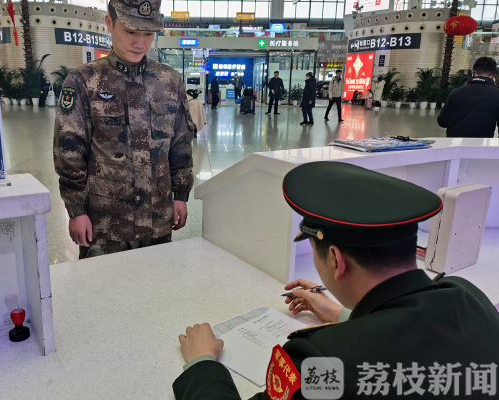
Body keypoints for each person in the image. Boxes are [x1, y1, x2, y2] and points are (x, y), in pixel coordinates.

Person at [173, 161, 499, 400]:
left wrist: (202, 363)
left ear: (335, 260)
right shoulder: (467, 296)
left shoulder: (323, 361)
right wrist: (343, 315)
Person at [53, 0, 194, 258]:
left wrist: (181, 195)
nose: (140, 43)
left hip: (157, 217)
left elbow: (180, 143)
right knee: (103, 283)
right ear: (110, 23)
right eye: (131, 31)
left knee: (156, 280)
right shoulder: (84, 80)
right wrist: (76, 211)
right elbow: (69, 150)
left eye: (148, 34)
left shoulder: (169, 81)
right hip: (106, 222)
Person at [438, 56, 499, 138]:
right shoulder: (497, 94)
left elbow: (442, 122)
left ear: (472, 73)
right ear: (493, 76)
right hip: (482, 143)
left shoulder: (455, 93)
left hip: (454, 142)